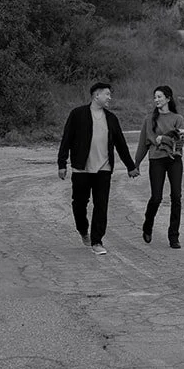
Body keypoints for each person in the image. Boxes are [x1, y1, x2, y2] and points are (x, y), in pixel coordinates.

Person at [57, 81, 137, 255]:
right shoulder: (77, 114)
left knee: (101, 205)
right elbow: (67, 139)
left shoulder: (111, 118)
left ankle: (97, 241)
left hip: (104, 168)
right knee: (79, 205)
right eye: (107, 94)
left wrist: (131, 166)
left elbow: (121, 145)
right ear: (96, 95)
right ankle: (83, 229)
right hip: (81, 169)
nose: (110, 98)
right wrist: (62, 164)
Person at [132, 84, 184, 249]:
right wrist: (136, 164)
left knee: (176, 197)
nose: (156, 100)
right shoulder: (149, 119)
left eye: (159, 97)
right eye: (155, 97)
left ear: (168, 98)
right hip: (156, 160)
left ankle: (174, 236)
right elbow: (144, 143)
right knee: (156, 197)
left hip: (175, 160)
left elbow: (181, 140)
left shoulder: (178, 118)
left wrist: (164, 138)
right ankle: (148, 225)